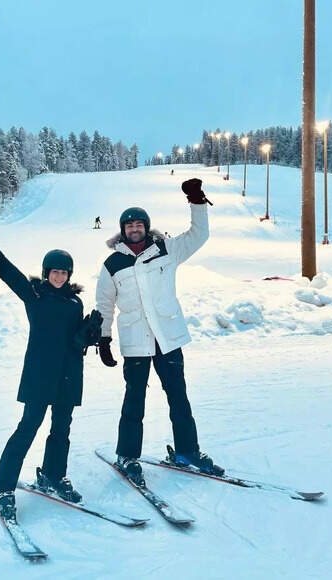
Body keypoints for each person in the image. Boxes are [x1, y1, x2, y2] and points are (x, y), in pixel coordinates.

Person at [94, 178, 223, 487]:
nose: (134, 229)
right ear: (123, 230)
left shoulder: (167, 249)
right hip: (136, 342)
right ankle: (127, 456)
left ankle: (188, 452)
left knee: (178, 397)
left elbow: (199, 234)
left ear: (146, 226)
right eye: (129, 225)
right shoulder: (112, 263)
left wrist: (196, 201)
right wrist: (104, 337)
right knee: (134, 400)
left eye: (139, 224)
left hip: (167, 338)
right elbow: (104, 302)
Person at [0, 217, 103, 520]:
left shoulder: (75, 303)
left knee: (61, 429)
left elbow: (74, 342)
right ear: (46, 273)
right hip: (39, 375)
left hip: (69, 376)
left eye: (64, 272)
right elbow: (7, 272)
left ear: (69, 274)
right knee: (27, 428)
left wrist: (88, 334)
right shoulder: (34, 295)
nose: (59, 276)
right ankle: (3, 487)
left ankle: (53, 476)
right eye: (54, 271)